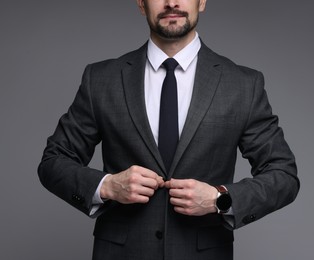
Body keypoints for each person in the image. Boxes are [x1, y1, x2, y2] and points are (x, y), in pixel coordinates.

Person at [38, 0, 300, 259]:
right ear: (141, 3)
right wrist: (108, 186)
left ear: (202, 2)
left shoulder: (242, 84)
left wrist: (218, 199)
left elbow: (283, 175)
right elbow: (53, 162)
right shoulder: (102, 79)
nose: (171, 2)